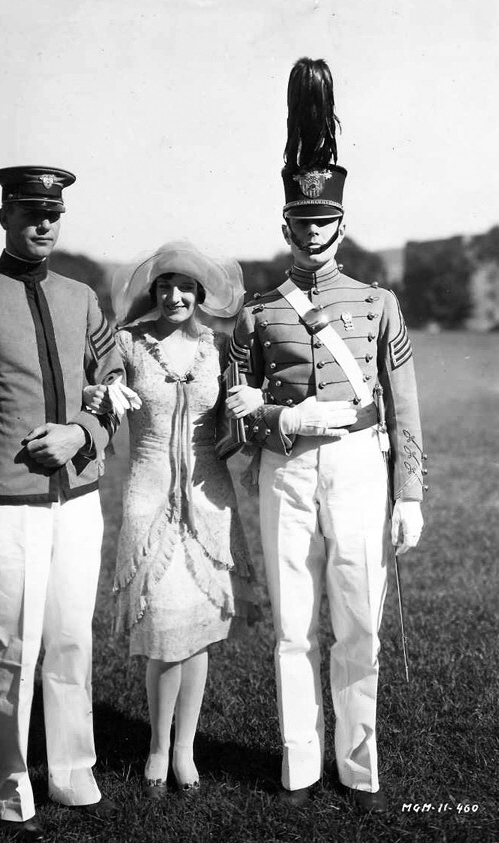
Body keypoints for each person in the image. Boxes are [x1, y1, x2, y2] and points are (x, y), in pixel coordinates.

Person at [230, 58, 427, 813]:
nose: (313, 234)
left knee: (357, 623)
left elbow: (404, 405)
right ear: (285, 225)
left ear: (342, 224)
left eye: (324, 222)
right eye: (301, 223)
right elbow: (233, 412)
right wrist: (282, 418)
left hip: (357, 467)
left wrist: (408, 493)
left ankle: (358, 763)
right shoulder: (255, 312)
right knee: (292, 627)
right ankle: (300, 762)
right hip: (285, 469)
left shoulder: (378, 304)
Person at [0, 166, 131, 842]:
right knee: (9, 644)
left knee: (72, 635)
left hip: (79, 496)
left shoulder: (82, 296)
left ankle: (73, 766)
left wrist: (85, 431)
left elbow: (113, 378)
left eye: (53, 211)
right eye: (29, 212)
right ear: (4, 217)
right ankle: (10, 780)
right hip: (7, 503)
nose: (43, 223)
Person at [84, 240, 261, 798]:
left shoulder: (218, 348)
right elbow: (97, 399)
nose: (175, 296)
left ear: (201, 295)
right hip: (148, 494)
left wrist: (246, 414)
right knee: (162, 628)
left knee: (199, 631)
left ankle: (186, 747)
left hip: (209, 496)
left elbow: (236, 429)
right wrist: (101, 396)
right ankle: (157, 745)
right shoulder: (130, 346)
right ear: (151, 292)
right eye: (165, 287)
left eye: (185, 288)